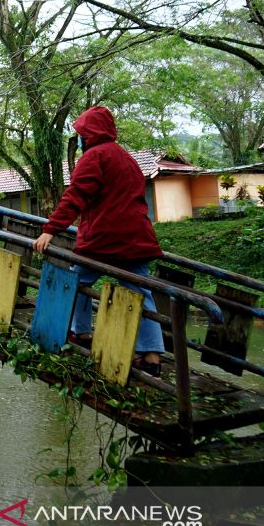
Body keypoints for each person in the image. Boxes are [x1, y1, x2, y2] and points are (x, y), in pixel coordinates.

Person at [32, 106, 165, 376]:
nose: (80, 139)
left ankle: (80, 333)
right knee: (140, 292)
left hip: (104, 240)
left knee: (77, 282)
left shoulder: (94, 157)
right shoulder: (126, 157)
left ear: (89, 134)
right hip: (136, 238)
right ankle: (152, 357)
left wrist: (50, 229)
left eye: (81, 133)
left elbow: (76, 196)